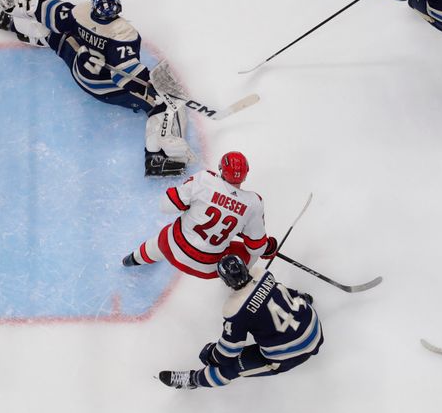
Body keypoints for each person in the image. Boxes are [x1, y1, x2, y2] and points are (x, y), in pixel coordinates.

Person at [0, 0, 193, 176]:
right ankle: (156, 159)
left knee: (60, 38)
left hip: (78, 68)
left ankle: (15, 24)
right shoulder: (123, 33)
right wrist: (153, 85)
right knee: (159, 104)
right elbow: (125, 77)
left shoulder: (79, 11)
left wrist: (16, 5)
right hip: (103, 87)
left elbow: (46, 9)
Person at [158, 254, 323, 389]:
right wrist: (303, 298)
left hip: (291, 354)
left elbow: (228, 351)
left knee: (228, 367)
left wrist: (211, 355)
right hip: (314, 328)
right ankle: (305, 300)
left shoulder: (234, 309)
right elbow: (284, 292)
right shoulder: (263, 274)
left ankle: (193, 380)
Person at [121, 151, 277, 278]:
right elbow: (256, 248)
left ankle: (133, 259)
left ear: (221, 168)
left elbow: (166, 205)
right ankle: (237, 281)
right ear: (246, 173)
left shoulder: (205, 179)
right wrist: (268, 247)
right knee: (249, 255)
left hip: (171, 248)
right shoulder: (254, 203)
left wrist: (190, 202)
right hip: (208, 267)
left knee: (164, 239)